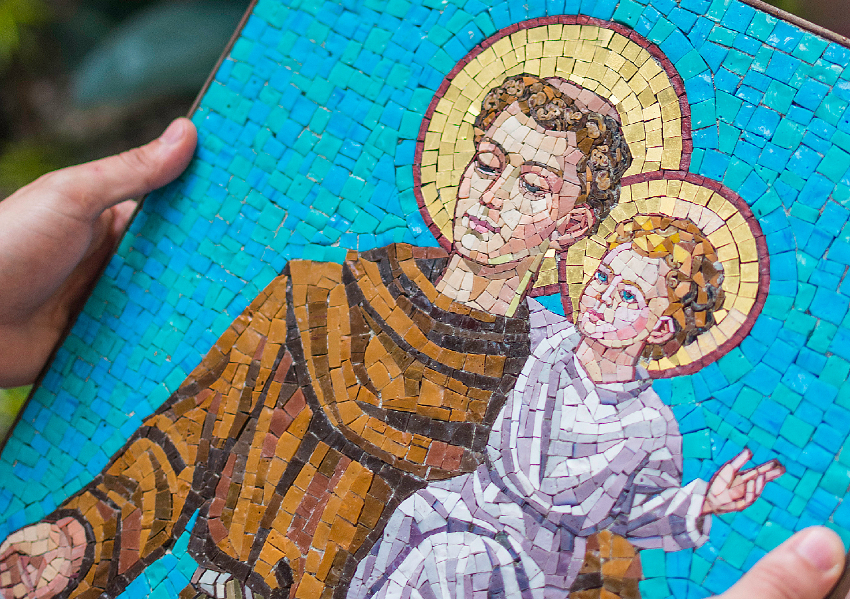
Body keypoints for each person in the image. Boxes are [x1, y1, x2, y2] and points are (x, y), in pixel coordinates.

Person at [0, 119, 843, 599]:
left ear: (575, 223)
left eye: (532, 184)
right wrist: (78, 535)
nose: (490, 195)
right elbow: (181, 444)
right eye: (487, 163)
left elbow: (591, 548)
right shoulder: (320, 299)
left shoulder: (559, 384)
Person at [345, 215, 786, 599]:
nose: (604, 297)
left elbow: (638, 513)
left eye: (628, 296)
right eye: (603, 277)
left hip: (532, 552)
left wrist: (706, 502)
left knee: (447, 561)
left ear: (659, 328)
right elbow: (492, 299)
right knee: (412, 514)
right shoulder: (545, 338)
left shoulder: (649, 425)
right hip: (470, 499)